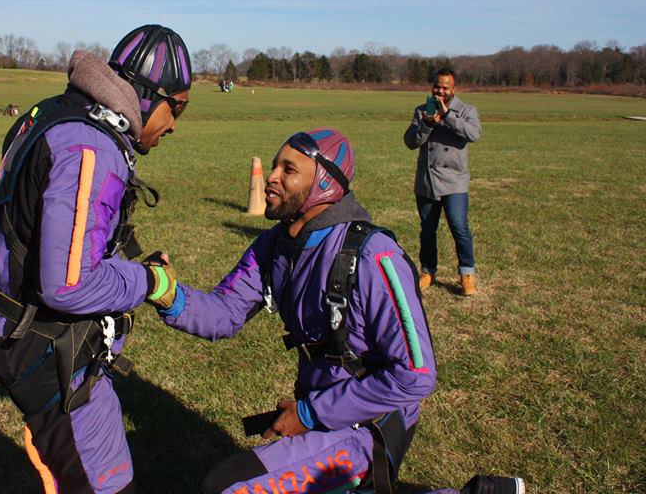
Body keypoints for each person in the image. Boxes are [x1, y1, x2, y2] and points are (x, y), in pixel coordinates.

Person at [0, 24, 192, 494]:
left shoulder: (51, 113)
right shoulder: (93, 146)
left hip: (7, 318)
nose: (175, 124)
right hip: (44, 346)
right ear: (150, 95)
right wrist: (147, 281)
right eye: (179, 107)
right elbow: (69, 285)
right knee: (107, 484)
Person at [146, 128, 437, 494]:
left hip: (370, 423)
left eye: (288, 169)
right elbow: (225, 312)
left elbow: (416, 374)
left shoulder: (373, 255)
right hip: (320, 410)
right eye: (273, 167)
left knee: (227, 488)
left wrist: (308, 414)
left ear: (325, 184)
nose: (271, 176)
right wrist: (167, 293)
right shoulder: (273, 246)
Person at [403, 68, 481, 297]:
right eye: (438, 86)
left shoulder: (467, 110)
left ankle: (467, 273)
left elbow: (473, 134)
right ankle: (427, 271)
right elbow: (409, 142)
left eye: (446, 87)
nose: (440, 90)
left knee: (459, 226)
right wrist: (427, 124)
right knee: (428, 230)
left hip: (455, 181)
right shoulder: (422, 110)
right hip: (427, 181)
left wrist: (448, 116)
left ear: (453, 89)